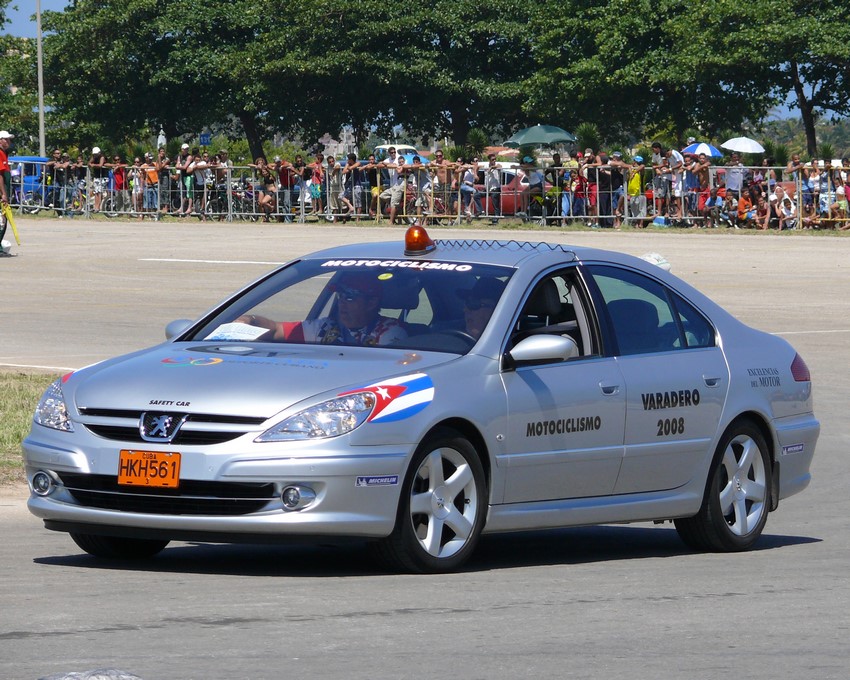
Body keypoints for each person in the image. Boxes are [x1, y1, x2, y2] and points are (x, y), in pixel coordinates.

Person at [240, 273, 408, 346]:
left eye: (349, 297)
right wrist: (249, 321)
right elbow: (277, 330)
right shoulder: (324, 327)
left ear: (371, 303)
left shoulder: (390, 333)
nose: (342, 302)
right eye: (340, 296)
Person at [0, 130, 13, 255]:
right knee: (1, 221)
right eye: (6, 139)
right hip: (1, 194)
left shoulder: (5, 153)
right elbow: (0, 176)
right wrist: (3, 194)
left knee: (4, 220)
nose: (8, 141)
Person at [88, 146, 108, 212]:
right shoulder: (94, 157)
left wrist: (93, 165)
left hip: (103, 176)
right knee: (96, 192)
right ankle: (95, 206)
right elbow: (89, 163)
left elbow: (100, 165)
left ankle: (98, 207)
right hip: (97, 176)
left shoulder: (102, 157)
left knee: (100, 192)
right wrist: (91, 163)